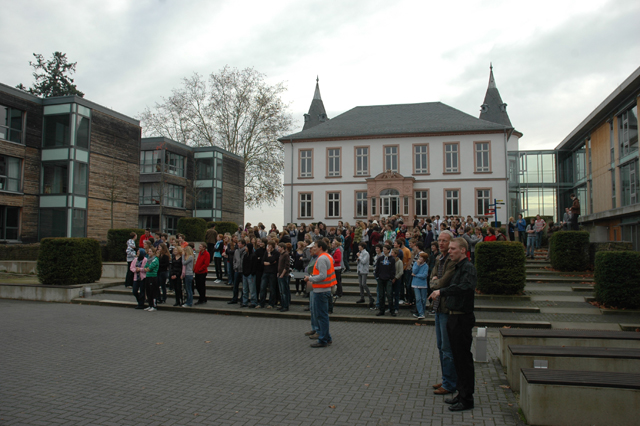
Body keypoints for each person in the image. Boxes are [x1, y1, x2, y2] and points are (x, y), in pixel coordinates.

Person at [429, 237, 477, 412]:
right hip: (454, 316)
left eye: (453, 249)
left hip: (462, 317)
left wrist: (442, 291)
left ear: (463, 250)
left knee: (463, 359)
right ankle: (461, 394)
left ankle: (467, 399)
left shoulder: (468, 268)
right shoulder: (458, 267)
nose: (449, 251)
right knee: (457, 358)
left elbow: (464, 287)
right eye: (449, 249)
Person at [429, 230, 457, 396]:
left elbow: (443, 281)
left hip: (446, 307)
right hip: (438, 306)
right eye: (439, 240)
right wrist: (435, 282)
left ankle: (450, 383)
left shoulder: (451, 261)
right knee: (441, 346)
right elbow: (432, 275)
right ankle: (446, 378)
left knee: (447, 348)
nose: (441, 244)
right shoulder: (439, 259)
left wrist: (435, 283)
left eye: (444, 241)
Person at [304, 240, 337, 348]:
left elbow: (322, 275)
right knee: (323, 316)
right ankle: (327, 338)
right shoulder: (326, 256)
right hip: (324, 289)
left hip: (321, 291)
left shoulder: (322, 258)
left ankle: (323, 339)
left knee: (322, 316)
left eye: (315, 247)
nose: (313, 248)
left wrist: (310, 278)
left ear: (320, 248)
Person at [374, 245, 395, 317]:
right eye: (383, 249)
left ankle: (392, 310)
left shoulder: (392, 259)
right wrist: (377, 276)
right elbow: (377, 268)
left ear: (389, 250)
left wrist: (391, 277)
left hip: (388, 279)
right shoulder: (380, 258)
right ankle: (381, 310)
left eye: (385, 249)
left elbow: (393, 269)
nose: (384, 251)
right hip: (381, 278)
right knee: (381, 295)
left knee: (389, 295)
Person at [355, 242, 374, 308]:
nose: (358, 247)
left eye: (359, 246)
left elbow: (364, 261)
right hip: (359, 270)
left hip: (364, 270)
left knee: (364, 284)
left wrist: (359, 257)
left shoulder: (366, 253)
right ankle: (362, 297)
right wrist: (358, 259)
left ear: (362, 246)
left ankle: (370, 297)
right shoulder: (360, 253)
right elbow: (359, 261)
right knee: (360, 284)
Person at [412, 252, 430, 319]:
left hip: (423, 285)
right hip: (415, 284)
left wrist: (416, 275)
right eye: (419, 257)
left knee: (423, 299)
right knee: (418, 299)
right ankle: (420, 313)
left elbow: (424, 275)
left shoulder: (426, 266)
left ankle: (422, 312)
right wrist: (417, 265)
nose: (420, 259)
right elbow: (414, 271)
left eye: (421, 258)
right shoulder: (416, 264)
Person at [229, 239, 246, 305]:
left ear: (243, 244)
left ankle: (242, 299)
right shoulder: (236, 251)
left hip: (243, 270)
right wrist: (235, 267)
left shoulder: (245, 251)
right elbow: (234, 260)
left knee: (244, 286)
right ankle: (234, 298)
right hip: (237, 270)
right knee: (235, 285)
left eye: (239, 243)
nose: (238, 244)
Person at [144, 247, 160, 311]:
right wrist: (147, 269)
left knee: (153, 291)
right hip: (148, 276)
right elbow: (145, 267)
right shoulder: (148, 259)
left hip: (153, 276)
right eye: (148, 251)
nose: (149, 252)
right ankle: (150, 305)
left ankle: (154, 306)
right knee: (148, 291)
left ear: (153, 252)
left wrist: (147, 269)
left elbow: (150, 268)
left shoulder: (155, 259)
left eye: (150, 251)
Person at [277, 242, 291, 312]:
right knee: (281, 291)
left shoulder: (286, 255)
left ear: (282, 248)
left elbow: (286, 266)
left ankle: (285, 305)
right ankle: (282, 304)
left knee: (284, 291)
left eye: (279, 247)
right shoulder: (281, 255)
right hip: (280, 274)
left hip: (284, 275)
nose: (278, 248)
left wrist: (282, 274)